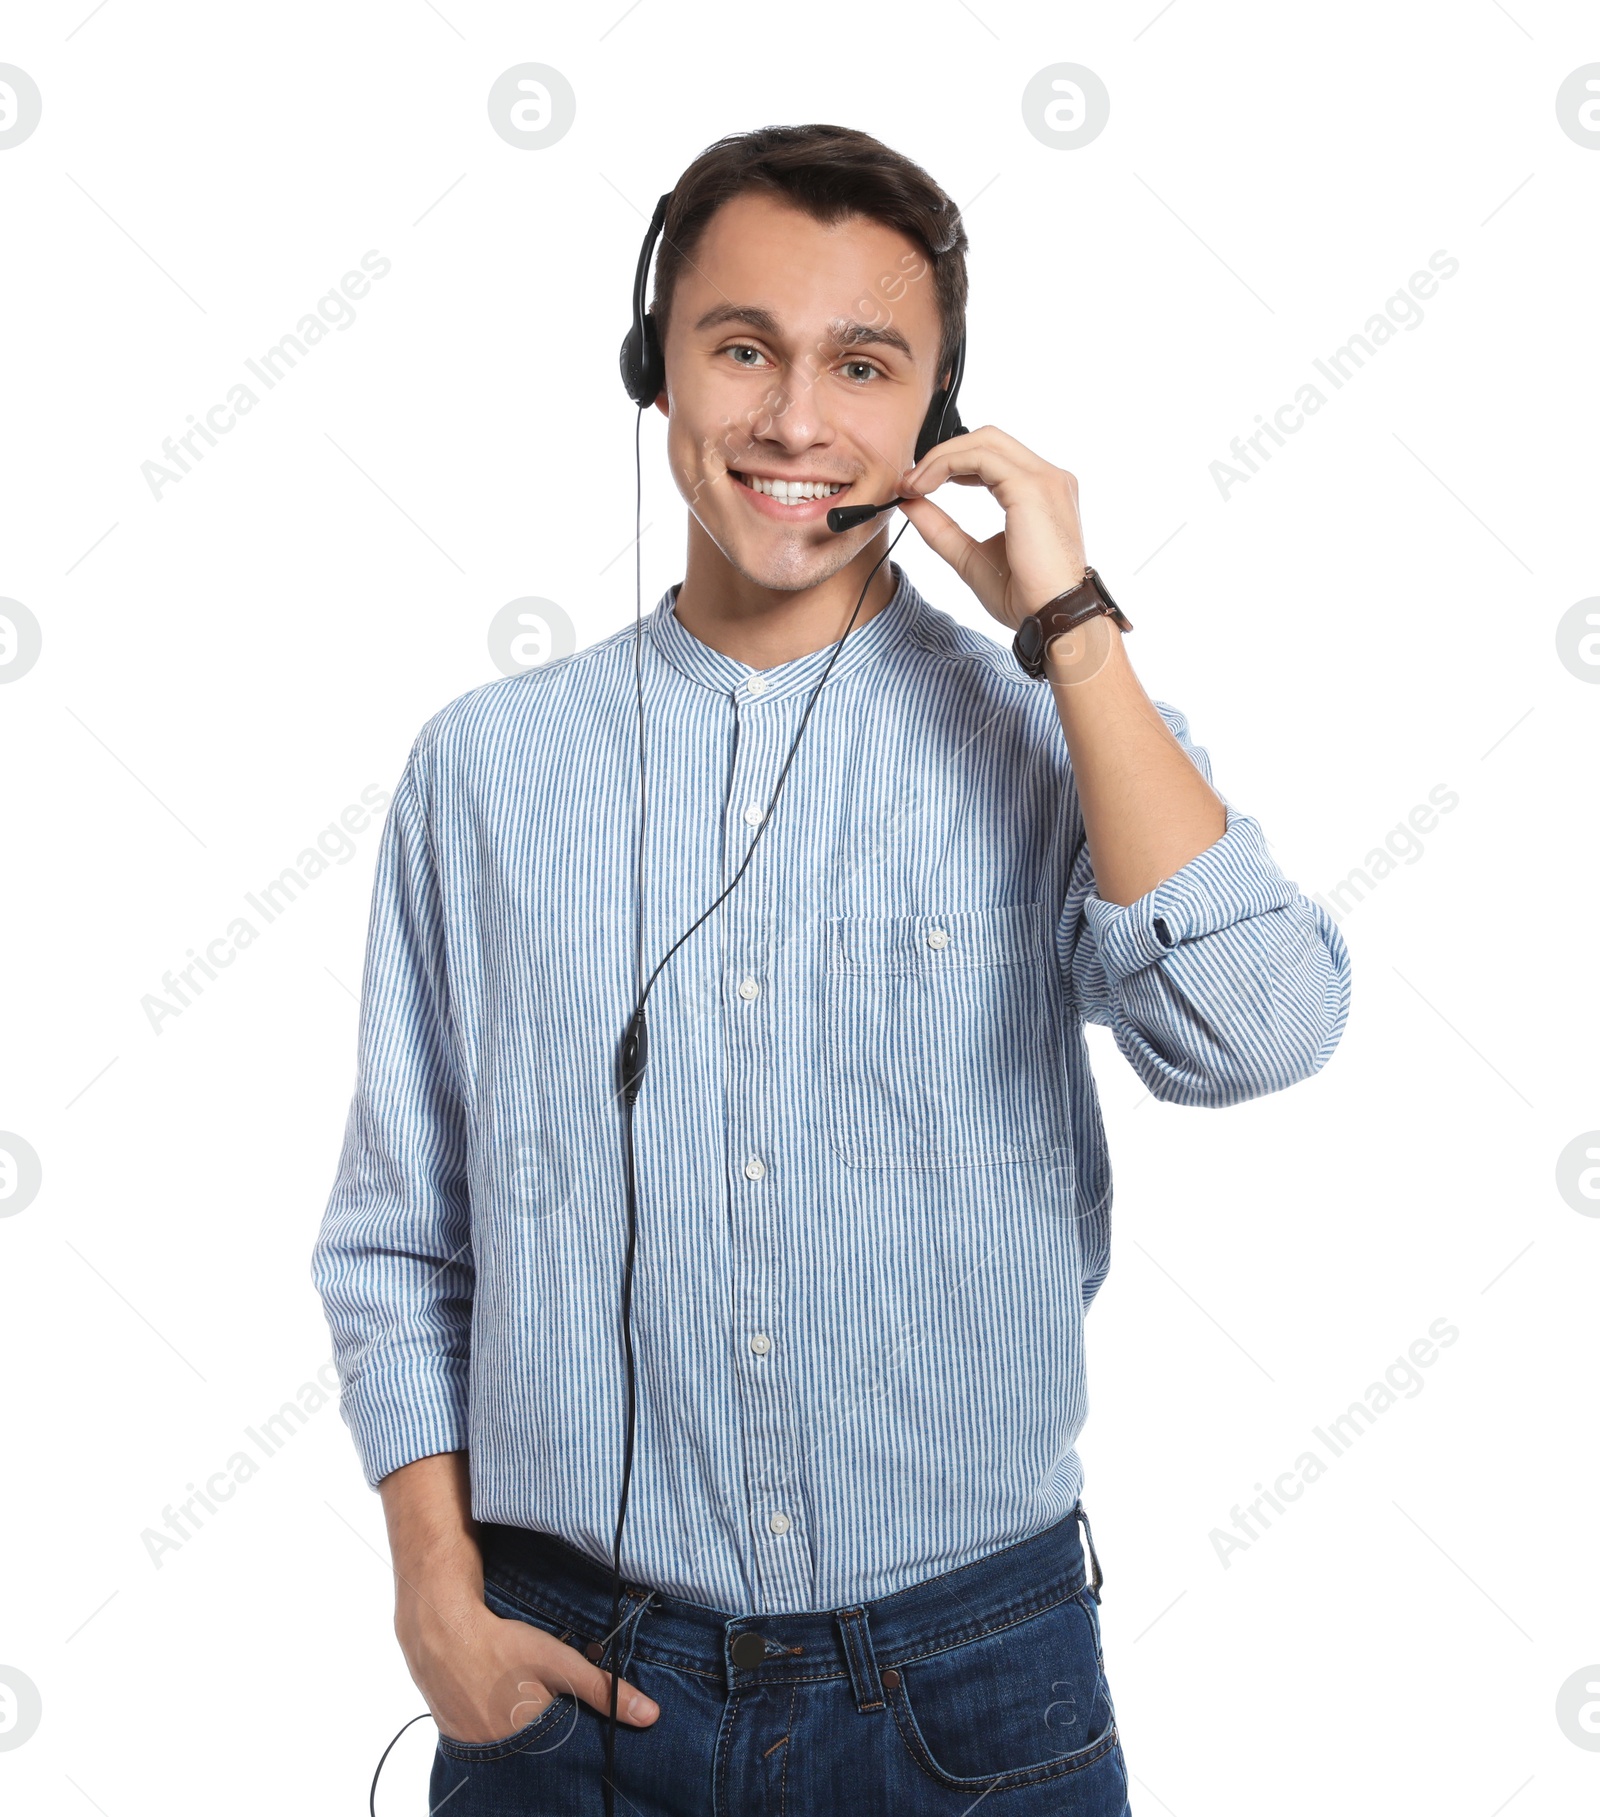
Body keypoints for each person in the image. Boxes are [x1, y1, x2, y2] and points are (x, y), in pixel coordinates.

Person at [312, 122, 1351, 1815]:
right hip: (571, 1681)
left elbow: (1264, 1029)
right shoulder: (487, 767)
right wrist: (435, 1589)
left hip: (969, 1684)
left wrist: (1071, 627)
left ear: (936, 423)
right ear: (659, 372)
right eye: (742, 350)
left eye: (863, 367)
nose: (797, 421)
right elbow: (398, 1233)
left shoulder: (1056, 737)